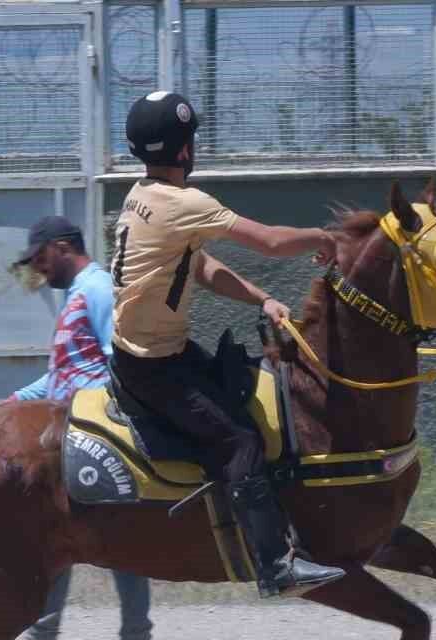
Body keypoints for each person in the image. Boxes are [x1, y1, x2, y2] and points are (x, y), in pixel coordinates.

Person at [109, 91, 344, 598]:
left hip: (148, 354)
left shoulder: (140, 195)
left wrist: (262, 300)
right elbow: (270, 242)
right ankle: (275, 566)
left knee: (242, 394)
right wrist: (325, 238)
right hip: (155, 367)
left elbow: (201, 267)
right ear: (185, 151)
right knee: (239, 439)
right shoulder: (185, 203)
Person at [0, 217, 156, 640]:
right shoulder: (76, 296)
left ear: (63, 247)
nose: (38, 270)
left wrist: (99, 416)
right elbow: (63, 373)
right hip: (74, 431)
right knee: (110, 536)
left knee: (56, 529)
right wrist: (15, 402)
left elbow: (118, 359)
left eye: (41, 258)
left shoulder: (99, 288)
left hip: (95, 432)